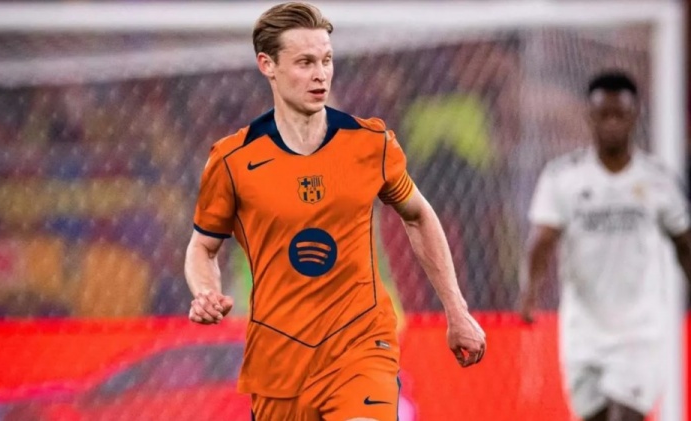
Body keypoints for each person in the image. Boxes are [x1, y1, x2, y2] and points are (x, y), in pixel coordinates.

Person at [184, 2, 486, 420]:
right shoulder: (232, 160)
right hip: (279, 358)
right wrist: (204, 291)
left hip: (361, 344)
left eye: (326, 60)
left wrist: (457, 309)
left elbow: (418, 214)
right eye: (305, 62)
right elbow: (203, 247)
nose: (321, 74)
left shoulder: (370, 144)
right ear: (267, 65)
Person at [520, 70, 691, 421]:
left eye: (620, 114)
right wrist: (530, 290)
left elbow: (683, 242)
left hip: (640, 331)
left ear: (635, 115)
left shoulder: (658, 180)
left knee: (623, 416)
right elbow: (542, 239)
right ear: (589, 116)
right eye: (603, 114)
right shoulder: (562, 177)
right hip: (583, 330)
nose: (612, 123)